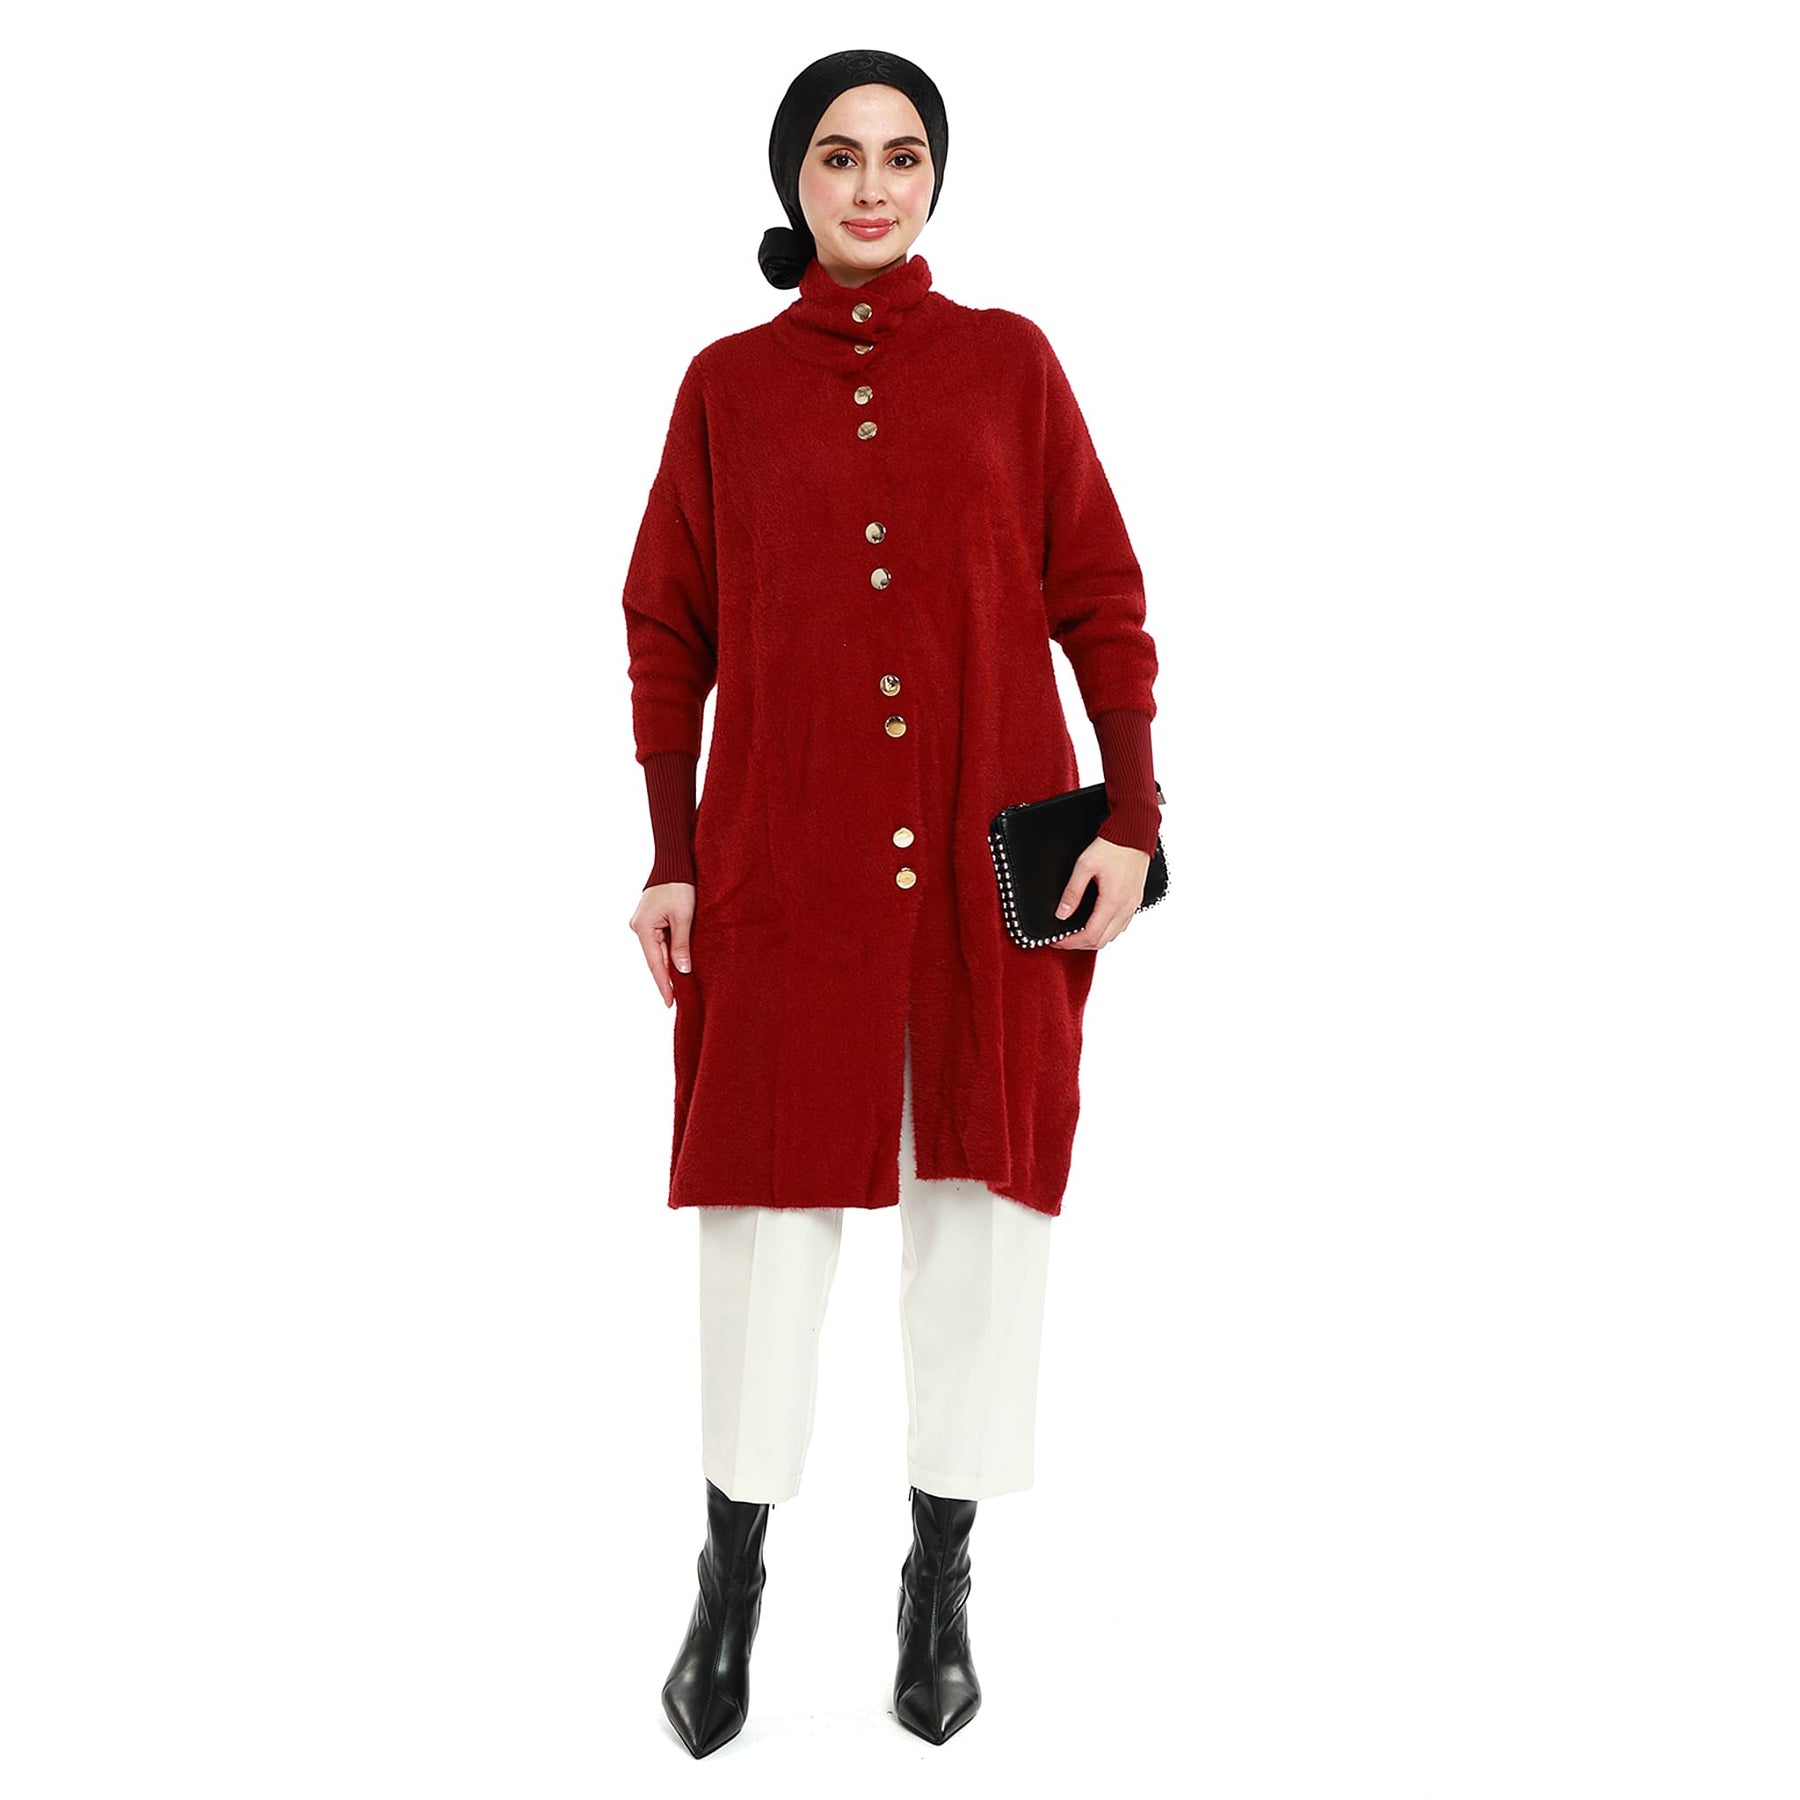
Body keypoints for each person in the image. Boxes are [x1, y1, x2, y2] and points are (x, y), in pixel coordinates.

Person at [621, 48, 1162, 1757]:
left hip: (990, 880)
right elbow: (666, 630)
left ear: (938, 176)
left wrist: (1134, 814)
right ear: (795, 179)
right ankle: (730, 1584)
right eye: (841, 156)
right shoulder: (726, 388)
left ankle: (941, 1585)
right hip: (785, 875)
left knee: (982, 1231)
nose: (873, 186)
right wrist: (671, 852)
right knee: (765, 1241)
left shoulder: (1011, 365)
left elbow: (1102, 595)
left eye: (904, 155)